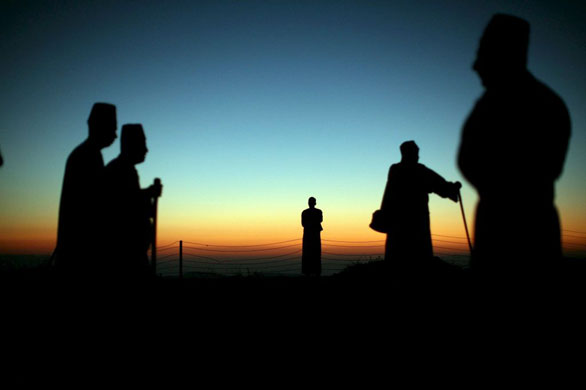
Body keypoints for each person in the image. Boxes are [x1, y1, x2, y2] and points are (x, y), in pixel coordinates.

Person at [457, 14, 571, 279]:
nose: (475, 65)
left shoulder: (539, 104)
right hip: (499, 232)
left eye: (483, 52)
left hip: (519, 239)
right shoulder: (540, 102)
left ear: (504, 53)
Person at [55, 103, 117, 275]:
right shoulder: (88, 156)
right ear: (99, 126)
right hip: (81, 253)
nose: (115, 135)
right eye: (112, 128)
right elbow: (95, 205)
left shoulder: (87, 154)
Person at [381, 141, 460, 265]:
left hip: (397, 220)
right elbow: (439, 185)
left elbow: (388, 195)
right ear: (409, 153)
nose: (418, 156)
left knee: (397, 254)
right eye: (416, 153)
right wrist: (453, 188)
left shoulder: (395, 169)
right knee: (419, 253)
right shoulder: (419, 170)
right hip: (417, 219)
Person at [104, 124, 162, 279]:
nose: (146, 149)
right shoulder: (120, 169)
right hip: (126, 254)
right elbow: (124, 207)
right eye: (142, 143)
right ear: (131, 144)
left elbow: (130, 197)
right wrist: (149, 195)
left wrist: (148, 193)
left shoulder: (125, 169)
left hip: (132, 251)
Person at [301, 197, 323, 277]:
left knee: (314, 253)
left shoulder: (307, 212)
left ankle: (313, 272)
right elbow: (303, 223)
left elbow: (320, 220)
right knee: (310, 253)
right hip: (309, 235)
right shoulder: (306, 212)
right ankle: (309, 272)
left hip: (313, 235)